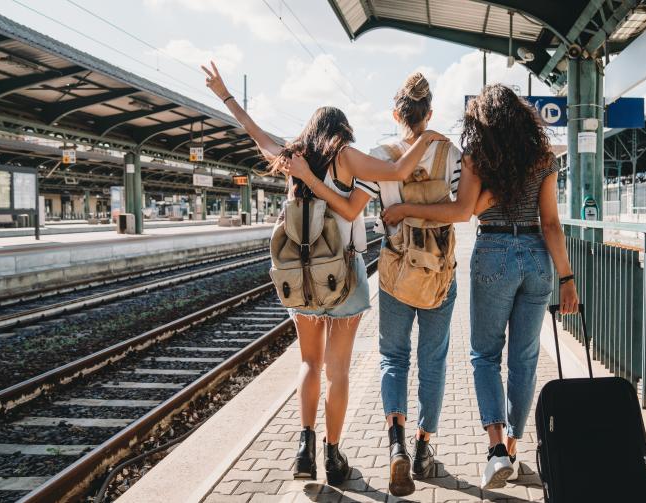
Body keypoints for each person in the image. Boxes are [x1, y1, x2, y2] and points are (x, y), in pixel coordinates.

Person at [202, 61, 445, 485]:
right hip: (344, 275)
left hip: (301, 278)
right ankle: (334, 458)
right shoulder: (346, 156)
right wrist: (424, 135)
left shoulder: (294, 158)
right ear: (341, 131)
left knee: (309, 363)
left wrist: (225, 95)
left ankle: (304, 448)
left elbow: (254, 132)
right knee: (338, 371)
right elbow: (397, 172)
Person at [382, 84, 580, 490]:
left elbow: (460, 211)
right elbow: (552, 225)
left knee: (485, 357)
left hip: (493, 254)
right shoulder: (543, 159)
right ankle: (512, 448)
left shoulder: (478, 158)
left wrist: (404, 209)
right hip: (537, 258)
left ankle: (495, 452)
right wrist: (567, 279)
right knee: (524, 360)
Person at [285, 72, 461, 497]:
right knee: (431, 361)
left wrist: (396, 209)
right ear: (429, 112)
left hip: (391, 272)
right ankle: (421, 449)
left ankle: (390, 444)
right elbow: (461, 210)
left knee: (392, 360)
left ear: (395, 113)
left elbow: (355, 205)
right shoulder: (451, 153)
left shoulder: (376, 155)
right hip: (438, 273)